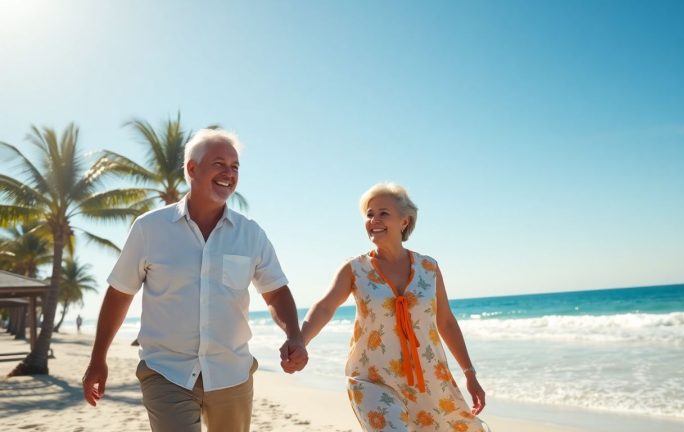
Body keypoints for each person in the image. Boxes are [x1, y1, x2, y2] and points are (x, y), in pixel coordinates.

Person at [82, 129, 308, 432]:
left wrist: (294, 335)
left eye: (235, 166)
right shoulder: (150, 228)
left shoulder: (251, 234)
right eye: (219, 164)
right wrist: (98, 358)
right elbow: (120, 294)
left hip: (232, 374)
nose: (229, 173)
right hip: (166, 372)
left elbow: (276, 293)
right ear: (192, 169)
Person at [301, 182, 487, 431]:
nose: (373, 219)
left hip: (428, 381)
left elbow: (445, 322)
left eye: (383, 213)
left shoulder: (428, 268)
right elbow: (324, 307)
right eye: (369, 214)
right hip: (371, 379)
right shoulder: (355, 269)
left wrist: (470, 374)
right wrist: (299, 341)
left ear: (404, 221)